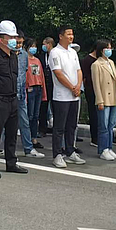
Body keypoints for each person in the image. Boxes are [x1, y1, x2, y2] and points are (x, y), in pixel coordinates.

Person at [0, 20, 29, 179]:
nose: (14, 40)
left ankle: (11, 162)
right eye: (11, 37)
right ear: (2, 39)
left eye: (15, 37)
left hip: (13, 99)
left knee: (12, 133)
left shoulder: (14, 57)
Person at [49, 26, 85, 168]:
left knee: (71, 125)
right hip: (61, 96)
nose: (71, 36)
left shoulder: (72, 52)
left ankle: (70, 151)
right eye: (68, 34)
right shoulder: (55, 52)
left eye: (72, 34)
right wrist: (71, 87)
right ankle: (57, 155)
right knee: (59, 127)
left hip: (74, 96)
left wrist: (78, 86)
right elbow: (58, 73)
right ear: (61, 36)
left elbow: (79, 71)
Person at [91, 39, 116, 161]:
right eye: (107, 48)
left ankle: (109, 148)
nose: (109, 50)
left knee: (111, 125)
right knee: (103, 126)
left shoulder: (111, 62)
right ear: (101, 50)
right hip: (104, 98)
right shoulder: (96, 65)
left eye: (110, 48)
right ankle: (103, 149)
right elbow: (96, 84)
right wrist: (99, 100)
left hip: (114, 98)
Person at [14, 30, 42, 159]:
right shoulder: (7, 54)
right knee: (4, 124)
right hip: (8, 94)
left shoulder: (24, 55)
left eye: (21, 43)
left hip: (21, 94)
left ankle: (28, 148)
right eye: (17, 42)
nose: (18, 45)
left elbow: (24, 73)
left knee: (25, 122)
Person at [25, 38, 47, 152]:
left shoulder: (37, 60)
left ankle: (34, 138)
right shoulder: (24, 60)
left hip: (38, 88)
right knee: (30, 115)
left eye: (34, 46)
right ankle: (28, 138)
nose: (33, 48)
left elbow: (41, 75)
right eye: (31, 46)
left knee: (36, 115)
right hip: (30, 88)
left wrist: (44, 92)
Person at [80, 44, 99, 148]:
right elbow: (83, 76)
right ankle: (94, 137)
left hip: (101, 90)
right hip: (91, 90)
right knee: (93, 113)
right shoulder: (87, 60)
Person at [39, 37, 55, 137]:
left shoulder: (56, 54)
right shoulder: (41, 56)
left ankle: (56, 128)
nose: (43, 46)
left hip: (54, 85)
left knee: (55, 107)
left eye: (45, 44)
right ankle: (42, 129)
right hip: (44, 84)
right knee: (43, 107)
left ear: (49, 44)